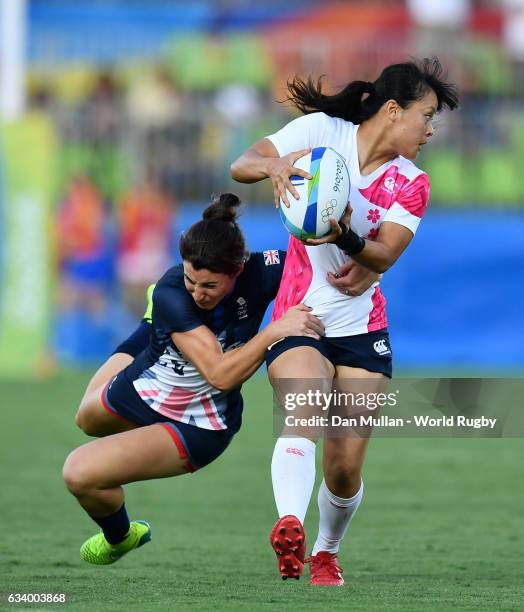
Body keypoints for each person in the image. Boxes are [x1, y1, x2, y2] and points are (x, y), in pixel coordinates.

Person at [231, 57, 459, 586]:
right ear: (394, 109)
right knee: (303, 408)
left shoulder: (411, 182)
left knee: (344, 467)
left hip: (363, 332)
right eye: (426, 116)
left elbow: (382, 255)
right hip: (300, 318)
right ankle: (289, 523)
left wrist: (343, 236)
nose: (429, 130)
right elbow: (243, 162)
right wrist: (273, 167)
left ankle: (328, 551)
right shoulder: (320, 133)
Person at [62, 193, 326, 566]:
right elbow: (219, 373)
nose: (198, 293)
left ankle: (119, 538)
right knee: (85, 418)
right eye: (191, 280)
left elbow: (317, 265)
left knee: (78, 473)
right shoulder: (174, 289)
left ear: (237, 271)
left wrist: (340, 240)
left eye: (209, 286)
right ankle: (155, 323)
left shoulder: (263, 271)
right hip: (149, 383)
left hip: (200, 423)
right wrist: (273, 331)